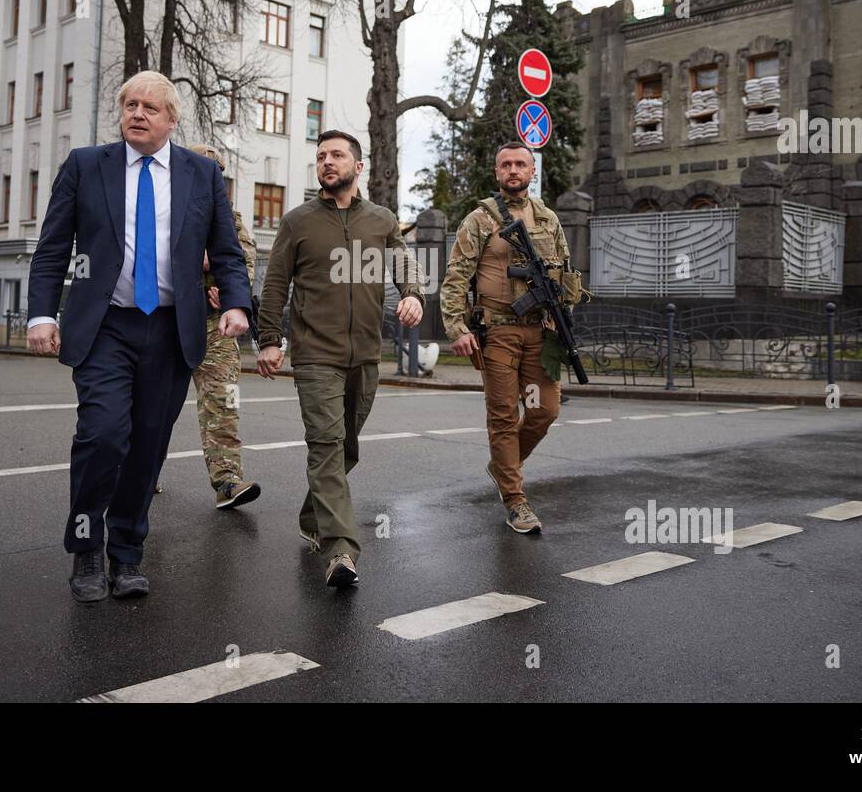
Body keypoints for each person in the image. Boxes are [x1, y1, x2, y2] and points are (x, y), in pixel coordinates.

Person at [26, 71, 251, 604]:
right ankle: (86, 546)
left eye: (151, 106)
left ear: (172, 120)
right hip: (106, 326)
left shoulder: (202, 174)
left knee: (148, 447)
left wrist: (238, 302)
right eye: (130, 104)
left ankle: (126, 555)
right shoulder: (86, 165)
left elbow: (226, 252)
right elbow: (53, 246)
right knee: (103, 435)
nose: (138, 113)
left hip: (172, 330)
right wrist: (41, 315)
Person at [257, 129, 424, 588]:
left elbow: (405, 265)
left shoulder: (382, 220)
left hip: (366, 355)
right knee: (326, 443)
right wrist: (270, 339)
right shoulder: (298, 223)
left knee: (346, 445)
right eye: (321, 156)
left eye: (337, 155)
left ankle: (313, 516)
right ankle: (340, 548)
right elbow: (275, 285)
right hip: (315, 355)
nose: (327, 162)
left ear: (358, 166)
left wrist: (413, 295)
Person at [438, 141, 582, 535]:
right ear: (497, 172)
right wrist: (458, 328)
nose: (513, 170)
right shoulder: (480, 220)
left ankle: (503, 465)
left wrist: (564, 318)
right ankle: (516, 501)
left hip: (541, 331)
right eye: (506, 165)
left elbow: (566, 273)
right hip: (498, 333)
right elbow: (455, 280)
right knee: (503, 417)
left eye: (521, 164)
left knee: (544, 410)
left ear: (532, 171)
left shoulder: (549, 219)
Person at [154, 142, 260, 509]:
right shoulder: (160, 210)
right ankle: (142, 472)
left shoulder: (230, 218)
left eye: (216, 171)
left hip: (215, 327)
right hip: (167, 322)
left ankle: (227, 481)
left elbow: (243, 260)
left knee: (223, 404)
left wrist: (231, 296)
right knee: (155, 405)